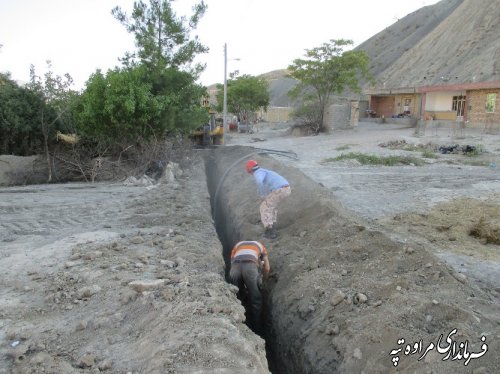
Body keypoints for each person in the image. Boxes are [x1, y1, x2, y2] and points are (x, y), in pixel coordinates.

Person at [229, 240, 270, 333]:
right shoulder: (260, 245)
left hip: (234, 268)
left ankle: (241, 325)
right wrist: (264, 280)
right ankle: (257, 330)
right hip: (250, 267)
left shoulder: (237, 245)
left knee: (236, 299)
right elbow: (267, 268)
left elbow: (232, 263)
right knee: (256, 300)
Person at [245, 160, 291, 239]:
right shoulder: (264, 171)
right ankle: (272, 225)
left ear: (250, 170)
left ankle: (270, 231)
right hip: (286, 189)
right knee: (272, 207)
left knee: (265, 207)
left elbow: (259, 182)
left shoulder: (258, 173)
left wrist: (262, 195)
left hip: (280, 190)